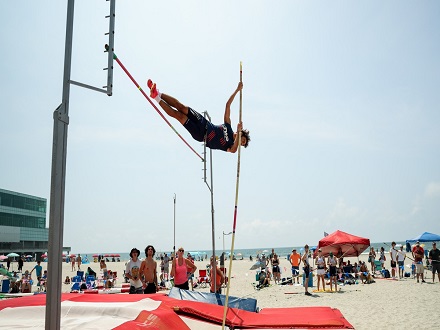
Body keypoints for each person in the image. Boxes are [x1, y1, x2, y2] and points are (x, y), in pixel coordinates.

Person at [148, 80, 250, 153]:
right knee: (182, 107)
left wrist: (238, 132)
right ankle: (157, 92)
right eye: (243, 140)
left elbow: (233, 150)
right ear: (242, 134)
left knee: (179, 116)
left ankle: (156, 98)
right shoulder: (228, 126)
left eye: (242, 144)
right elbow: (228, 105)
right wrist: (237, 90)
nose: (241, 142)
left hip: (201, 134)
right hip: (203, 122)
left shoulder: (232, 145)